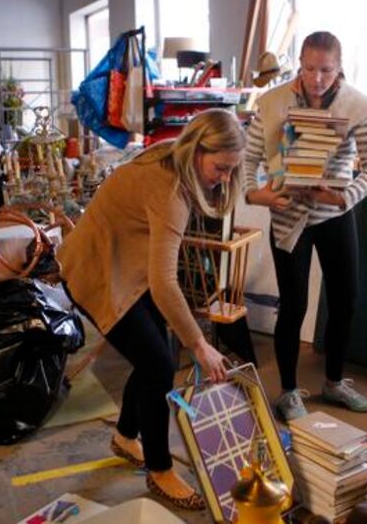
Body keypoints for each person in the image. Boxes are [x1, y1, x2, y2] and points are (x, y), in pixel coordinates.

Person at [57, 109, 244, 510]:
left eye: (233, 170)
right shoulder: (171, 192)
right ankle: (160, 471)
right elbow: (163, 281)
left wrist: (188, 338)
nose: (225, 178)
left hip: (124, 265)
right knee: (159, 363)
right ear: (197, 151)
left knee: (156, 356)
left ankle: (126, 436)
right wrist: (200, 344)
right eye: (221, 168)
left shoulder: (174, 154)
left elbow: (159, 276)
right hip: (95, 270)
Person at [244, 31, 367, 421]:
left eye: (326, 70)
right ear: (300, 65)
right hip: (288, 216)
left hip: (335, 215)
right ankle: (289, 392)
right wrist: (257, 195)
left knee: (346, 299)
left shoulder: (355, 106)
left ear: (339, 68)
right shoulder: (272, 103)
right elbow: (248, 160)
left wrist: (343, 196)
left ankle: (335, 382)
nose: (317, 78)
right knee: (293, 306)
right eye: (309, 68)